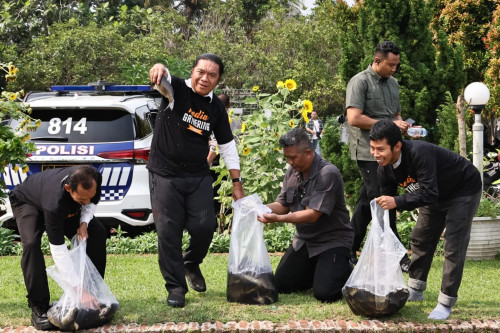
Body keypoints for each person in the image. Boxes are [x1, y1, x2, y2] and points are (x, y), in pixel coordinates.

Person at [148, 53, 245, 308]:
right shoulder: (178, 90)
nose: (205, 78)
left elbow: (227, 145)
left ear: (218, 79)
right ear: (192, 71)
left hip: (197, 174)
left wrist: (237, 181)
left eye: (212, 75)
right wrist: (160, 68)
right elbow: (164, 81)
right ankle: (176, 287)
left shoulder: (215, 109)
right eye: (201, 72)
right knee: (168, 231)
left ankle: (191, 261)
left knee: (205, 226)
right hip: (164, 173)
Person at [370, 119, 482, 320]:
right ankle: (415, 290)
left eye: (380, 149)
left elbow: (427, 193)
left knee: (453, 246)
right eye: (372, 148)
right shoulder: (383, 168)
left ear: (397, 146)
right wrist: (384, 237)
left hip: (462, 189)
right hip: (434, 194)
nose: (376, 154)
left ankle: (445, 303)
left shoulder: (419, 154)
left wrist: (397, 201)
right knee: (421, 237)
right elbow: (387, 208)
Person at [257, 128, 354, 302]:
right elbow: (282, 205)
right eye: (287, 157)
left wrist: (278, 219)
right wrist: (259, 208)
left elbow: (313, 214)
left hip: (332, 241)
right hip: (305, 241)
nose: (289, 161)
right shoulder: (292, 171)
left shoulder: (327, 173)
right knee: (282, 284)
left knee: (325, 294)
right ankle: (321, 270)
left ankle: (345, 267)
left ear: (308, 153)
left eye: (292, 157)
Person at [8, 165, 107, 330]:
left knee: (97, 233)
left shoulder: (93, 177)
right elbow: (59, 250)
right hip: (28, 200)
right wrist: (77, 288)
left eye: (90, 197)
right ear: (68, 188)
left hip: (59, 200)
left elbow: (91, 202)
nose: (87, 202)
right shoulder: (54, 203)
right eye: (82, 200)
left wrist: (84, 223)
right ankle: (38, 307)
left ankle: (92, 296)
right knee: (31, 244)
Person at [345, 40, 411, 270]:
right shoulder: (359, 81)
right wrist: (389, 123)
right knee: (385, 201)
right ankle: (398, 255)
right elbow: (354, 118)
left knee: (366, 203)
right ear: (377, 60)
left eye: (396, 65)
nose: (394, 69)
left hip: (389, 153)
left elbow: (396, 114)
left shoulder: (393, 84)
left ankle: (348, 248)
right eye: (390, 65)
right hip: (368, 152)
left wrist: (401, 126)